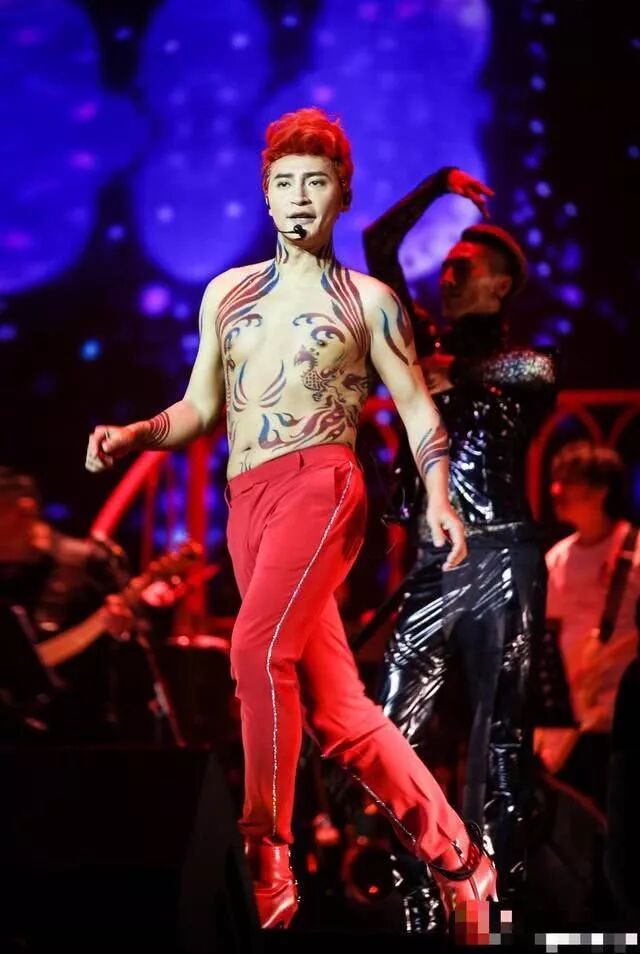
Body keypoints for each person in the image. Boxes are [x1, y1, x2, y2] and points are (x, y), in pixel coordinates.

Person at [85, 107, 499, 939]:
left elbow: (417, 408)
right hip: (248, 505)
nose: (300, 197)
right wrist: (136, 433)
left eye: (316, 183)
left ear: (342, 193)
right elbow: (202, 407)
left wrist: (440, 495)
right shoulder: (226, 294)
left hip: (324, 487)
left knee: (255, 649)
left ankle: (265, 851)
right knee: (340, 712)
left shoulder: (369, 301)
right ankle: (460, 857)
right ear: (267, 195)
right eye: (285, 183)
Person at [362, 169, 556, 929]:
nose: (447, 277)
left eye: (463, 268)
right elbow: (379, 242)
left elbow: (537, 372)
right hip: (430, 566)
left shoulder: (518, 365)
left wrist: (456, 373)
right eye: (443, 267)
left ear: (500, 286)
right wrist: (437, 185)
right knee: (389, 731)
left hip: (502, 557)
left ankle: (499, 908)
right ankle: (421, 899)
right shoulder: (419, 343)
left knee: (500, 737)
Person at [536, 442, 639, 809]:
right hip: (568, 728)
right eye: (556, 480)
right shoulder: (557, 559)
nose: (556, 490)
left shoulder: (634, 554)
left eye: (570, 481)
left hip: (619, 724)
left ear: (600, 490)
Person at [0, 466, 135, 740]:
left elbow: (136, 645)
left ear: (23, 511)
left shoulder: (85, 565)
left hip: (78, 733)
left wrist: (123, 629)